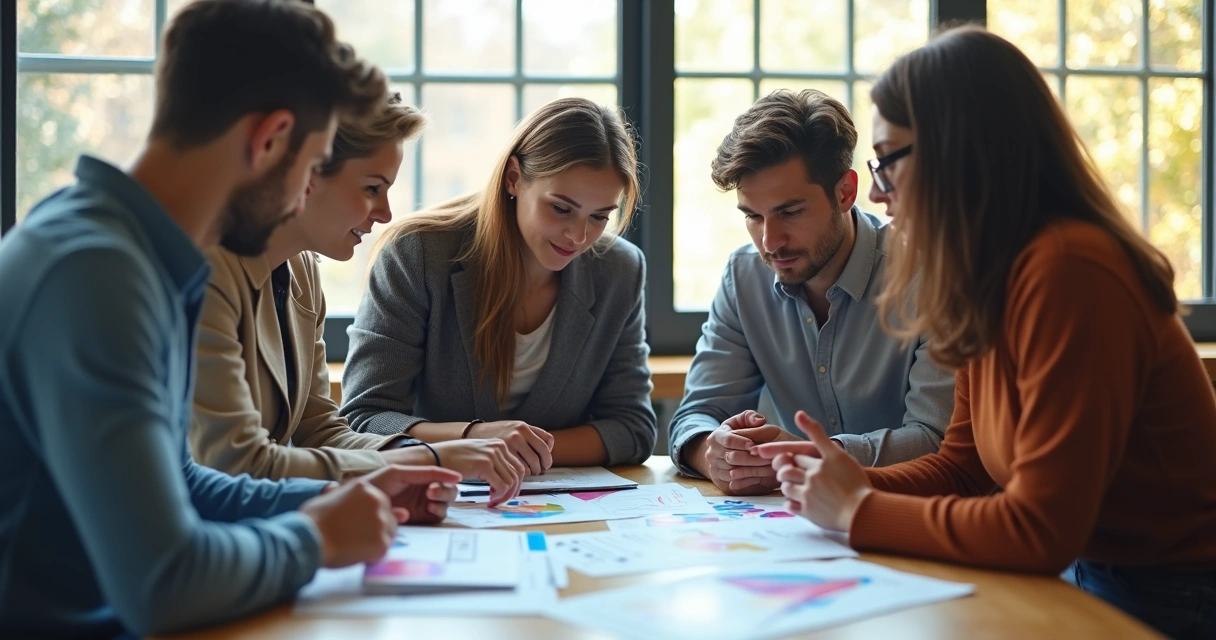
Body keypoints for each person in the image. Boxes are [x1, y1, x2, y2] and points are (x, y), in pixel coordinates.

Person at [0, 2, 460, 637]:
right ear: (269, 139)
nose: (305, 193)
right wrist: (316, 538)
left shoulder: (139, 254)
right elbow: (164, 583)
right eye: (313, 160)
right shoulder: (95, 273)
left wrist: (341, 495)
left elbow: (185, 483)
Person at [756, 27, 1216, 640]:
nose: (878, 193)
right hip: (1091, 574)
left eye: (889, 161)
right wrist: (839, 477)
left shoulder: (1069, 270)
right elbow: (965, 469)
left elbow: (1040, 532)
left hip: (1173, 594)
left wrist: (860, 509)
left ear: (959, 152)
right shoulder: (988, 273)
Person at [189, 93, 525, 504]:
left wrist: (409, 467)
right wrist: (430, 459)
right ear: (306, 173)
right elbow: (236, 462)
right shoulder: (206, 271)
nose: (385, 213)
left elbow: (321, 432)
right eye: (371, 188)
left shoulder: (302, 270)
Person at [341, 97, 657, 472]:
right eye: (560, 208)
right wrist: (477, 439)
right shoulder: (418, 254)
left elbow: (633, 428)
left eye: (600, 216)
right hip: (439, 499)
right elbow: (365, 417)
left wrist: (520, 451)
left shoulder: (619, 269)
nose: (578, 235)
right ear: (514, 178)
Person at [668, 89, 954, 496]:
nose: (769, 241)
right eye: (752, 216)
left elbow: (936, 440)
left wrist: (810, 455)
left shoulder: (929, 275)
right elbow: (697, 415)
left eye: (789, 212)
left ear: (845, 193)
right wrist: (711, 451)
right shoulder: (743, 276)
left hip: (916, 517)